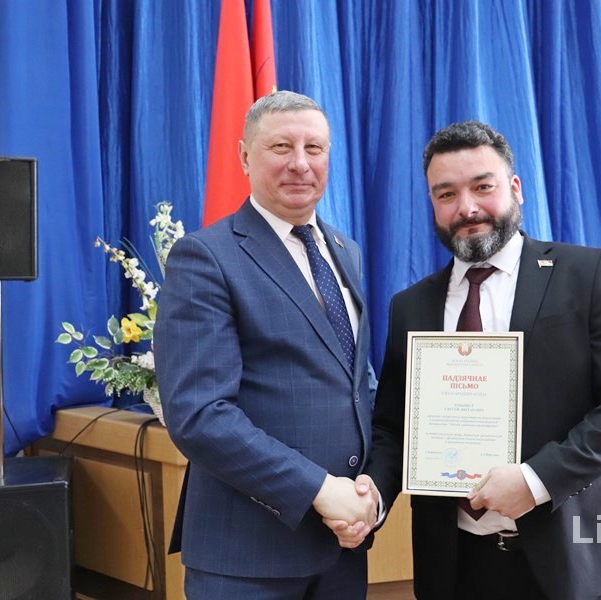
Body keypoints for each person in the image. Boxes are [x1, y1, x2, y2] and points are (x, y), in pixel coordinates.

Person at [344, 121, 601, 599]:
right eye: (446, 194)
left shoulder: (583, 273)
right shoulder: (410, 306)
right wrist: (372, 495)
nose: (467, 208)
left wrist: (535, 481)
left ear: (515, 188)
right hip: (452, 564)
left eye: (482, 187)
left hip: (566, 558)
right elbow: (394, 426)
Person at [155, 90, 377, 599]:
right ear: (244, 156)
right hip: (248, 558)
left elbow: (356, 384)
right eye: (281, 147)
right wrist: (319, 490)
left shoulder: (345, 250)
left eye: (314, 148)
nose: (300, 163)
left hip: (343, 548)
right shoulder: (205, 256)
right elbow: (199, 414)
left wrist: (370, 493)